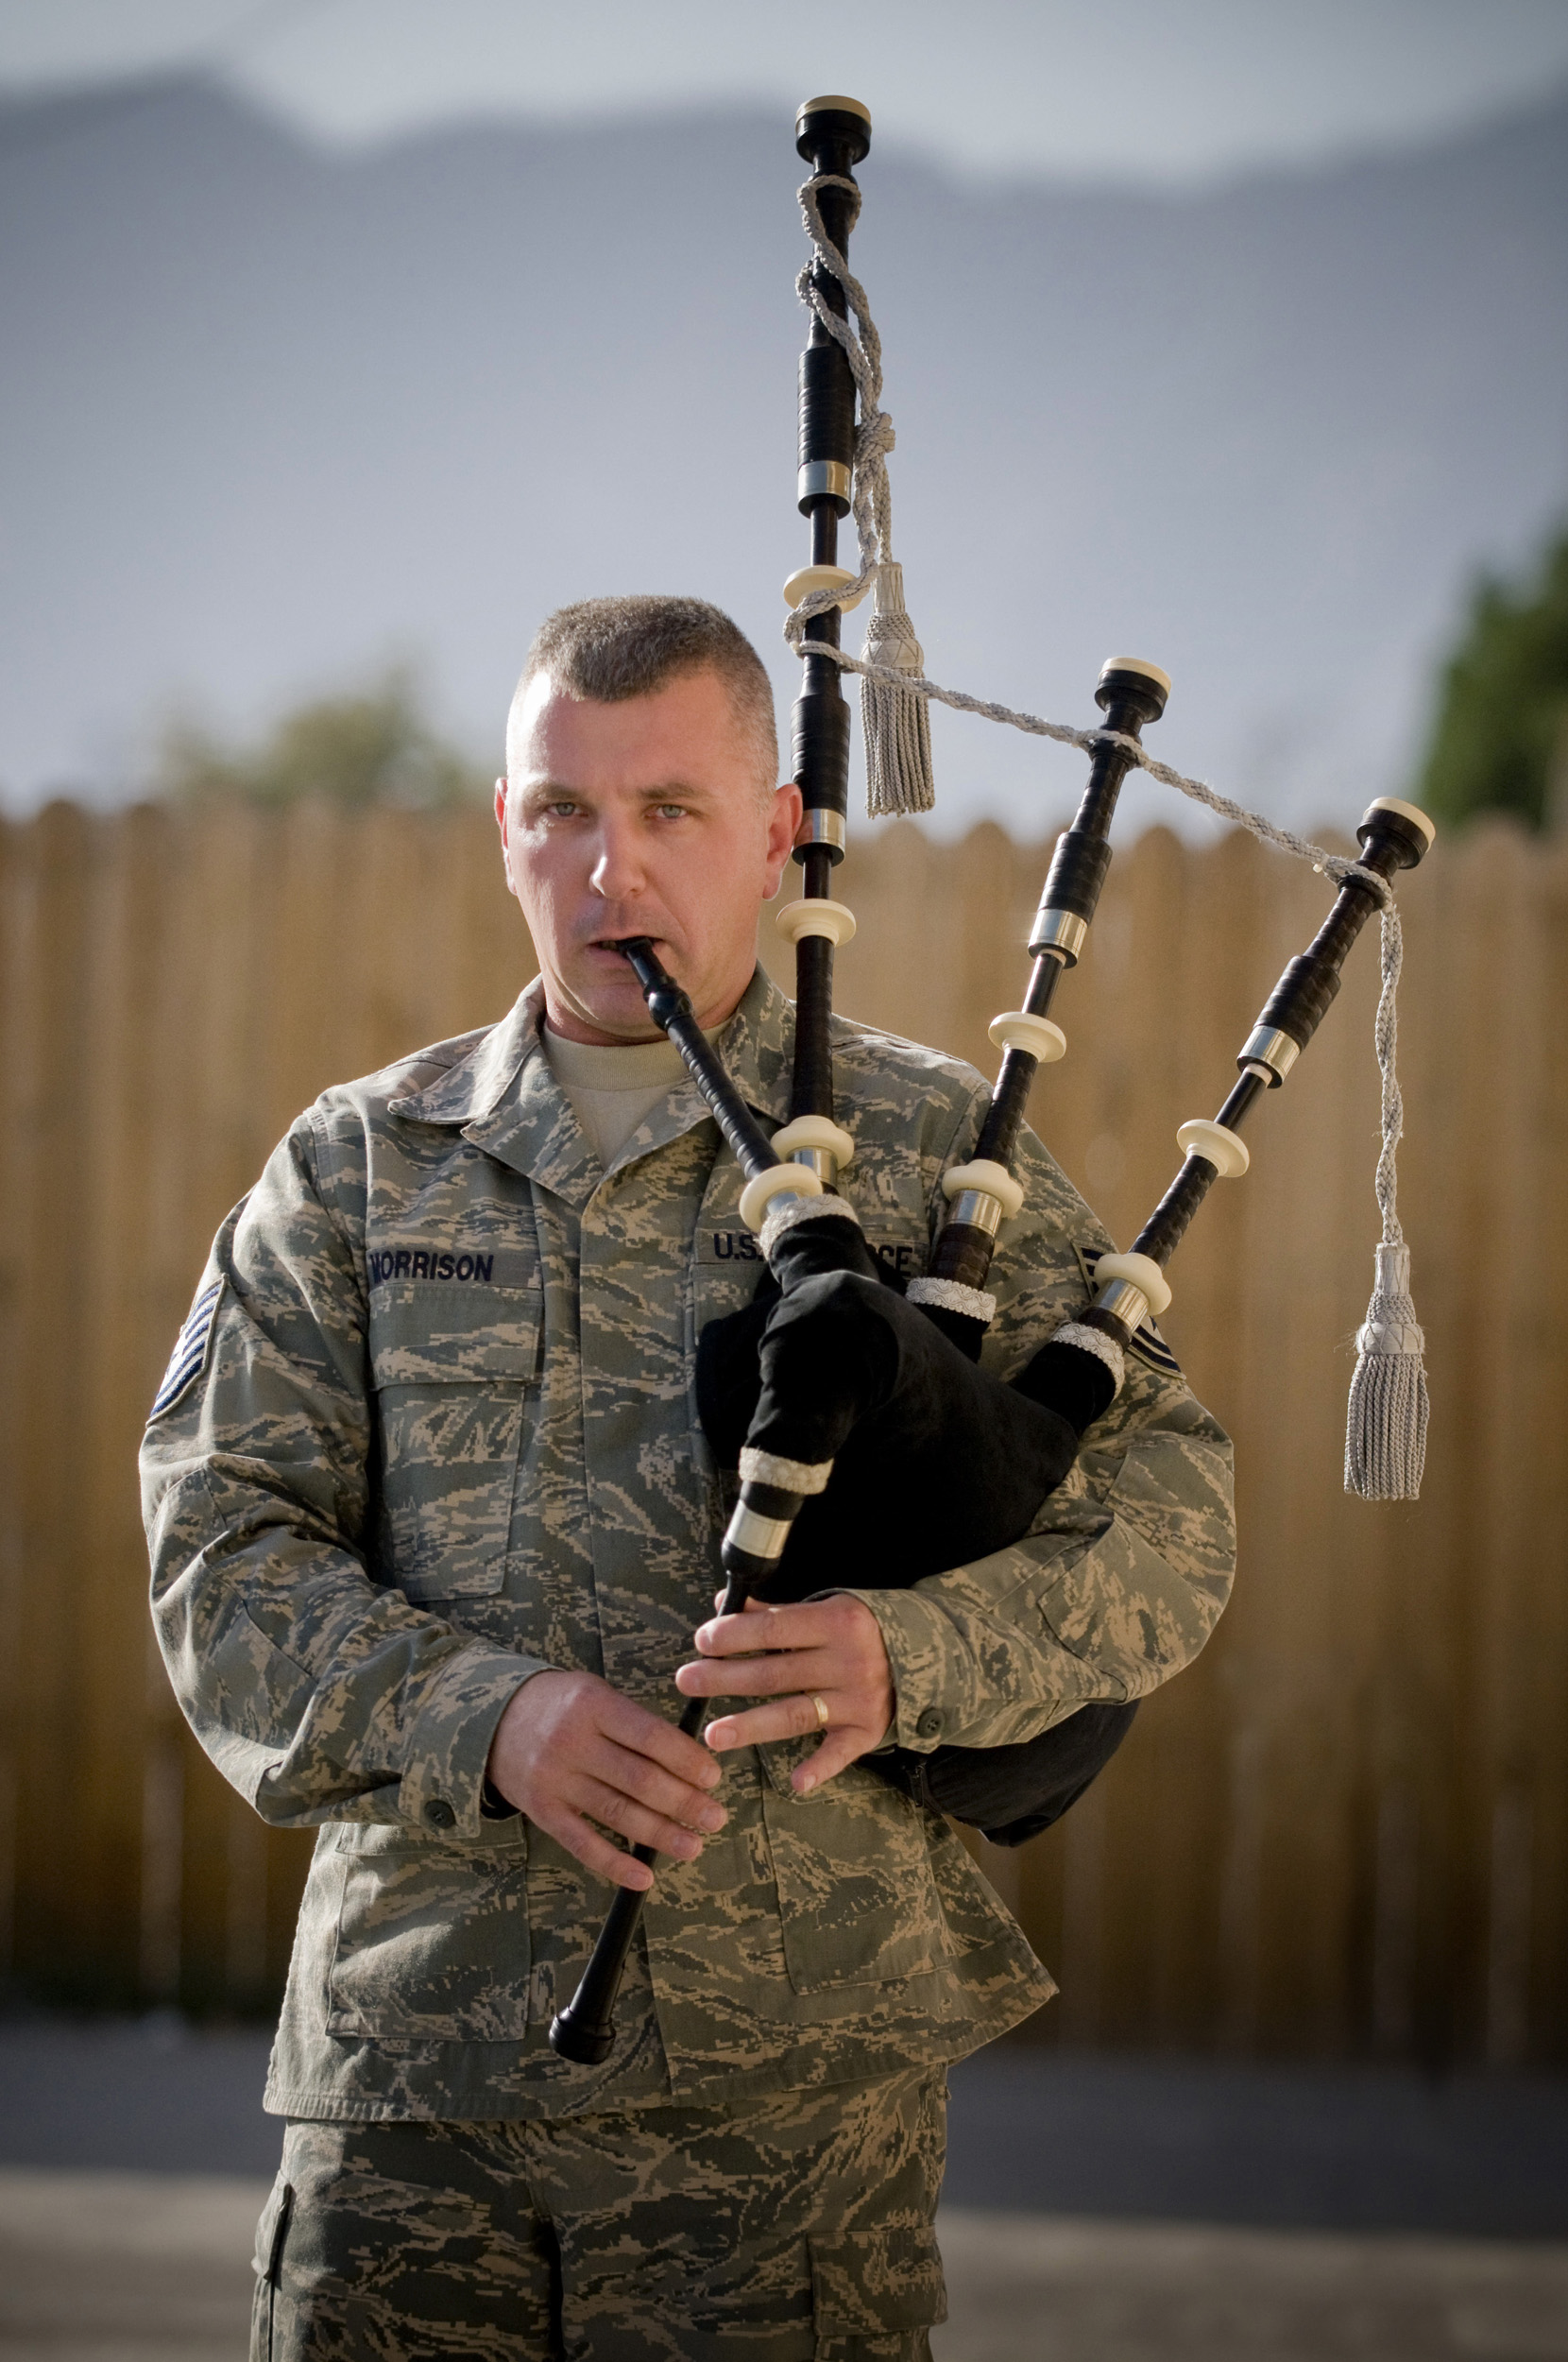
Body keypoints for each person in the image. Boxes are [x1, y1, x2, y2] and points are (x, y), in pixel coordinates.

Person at [142, 596, 1235, 2359]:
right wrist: (487, 1717)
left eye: (669, 813)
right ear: (507, 829)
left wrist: (910, 1660)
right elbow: (219, 1551)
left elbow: (1170, 1512)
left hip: (790, 2122)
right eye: (561, 811)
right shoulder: (358, 1167)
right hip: (417, 2099)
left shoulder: (946, 1159)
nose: (607, 870)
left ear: (780, 833)